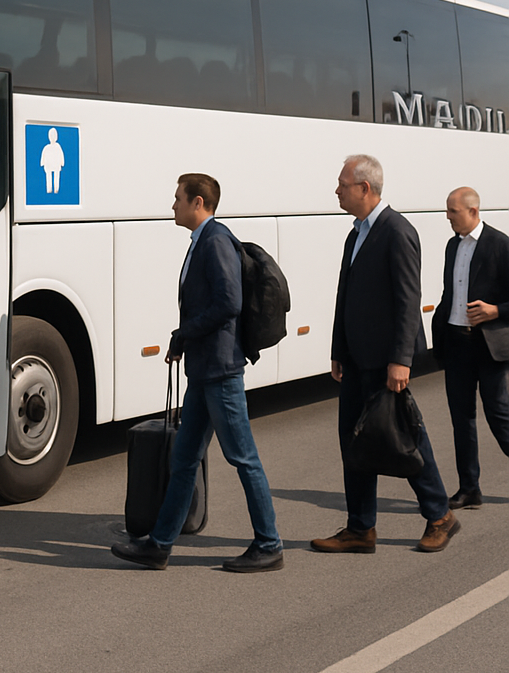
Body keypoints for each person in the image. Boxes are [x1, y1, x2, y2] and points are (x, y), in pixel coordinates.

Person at [111, 173, 284, 573]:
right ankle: (160, 544)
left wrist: (185, 332)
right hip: (204, 371)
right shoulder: (201, 242)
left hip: (221, 372)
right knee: (185, 458)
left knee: (243, 458)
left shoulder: (215, 241)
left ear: (199, 202)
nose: (173, 205)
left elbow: (229, 302)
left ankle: (269, 543)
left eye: (178, 199)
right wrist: (184, 341)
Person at [312, 154, 458, 555]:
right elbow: (346, 297)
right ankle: (360, 528)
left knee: (403, 438)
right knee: (355, 441)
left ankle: (440, 515)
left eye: (342, 183)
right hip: (357, 359)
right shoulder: (355, 233)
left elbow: (409, 299)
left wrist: (401, 359)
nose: (336, 190)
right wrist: (338, 350)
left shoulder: (397, 231)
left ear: (364, 188)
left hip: (386, 361)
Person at [430, 186, 509, 510]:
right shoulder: (453, 246)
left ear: (473, 212)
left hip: (488, 347)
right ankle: (469, 488)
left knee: (499, 416)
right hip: (457, 344)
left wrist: (496, 311)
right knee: (461, 419)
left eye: (452, 211)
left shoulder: (499, 244)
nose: (447, 217)